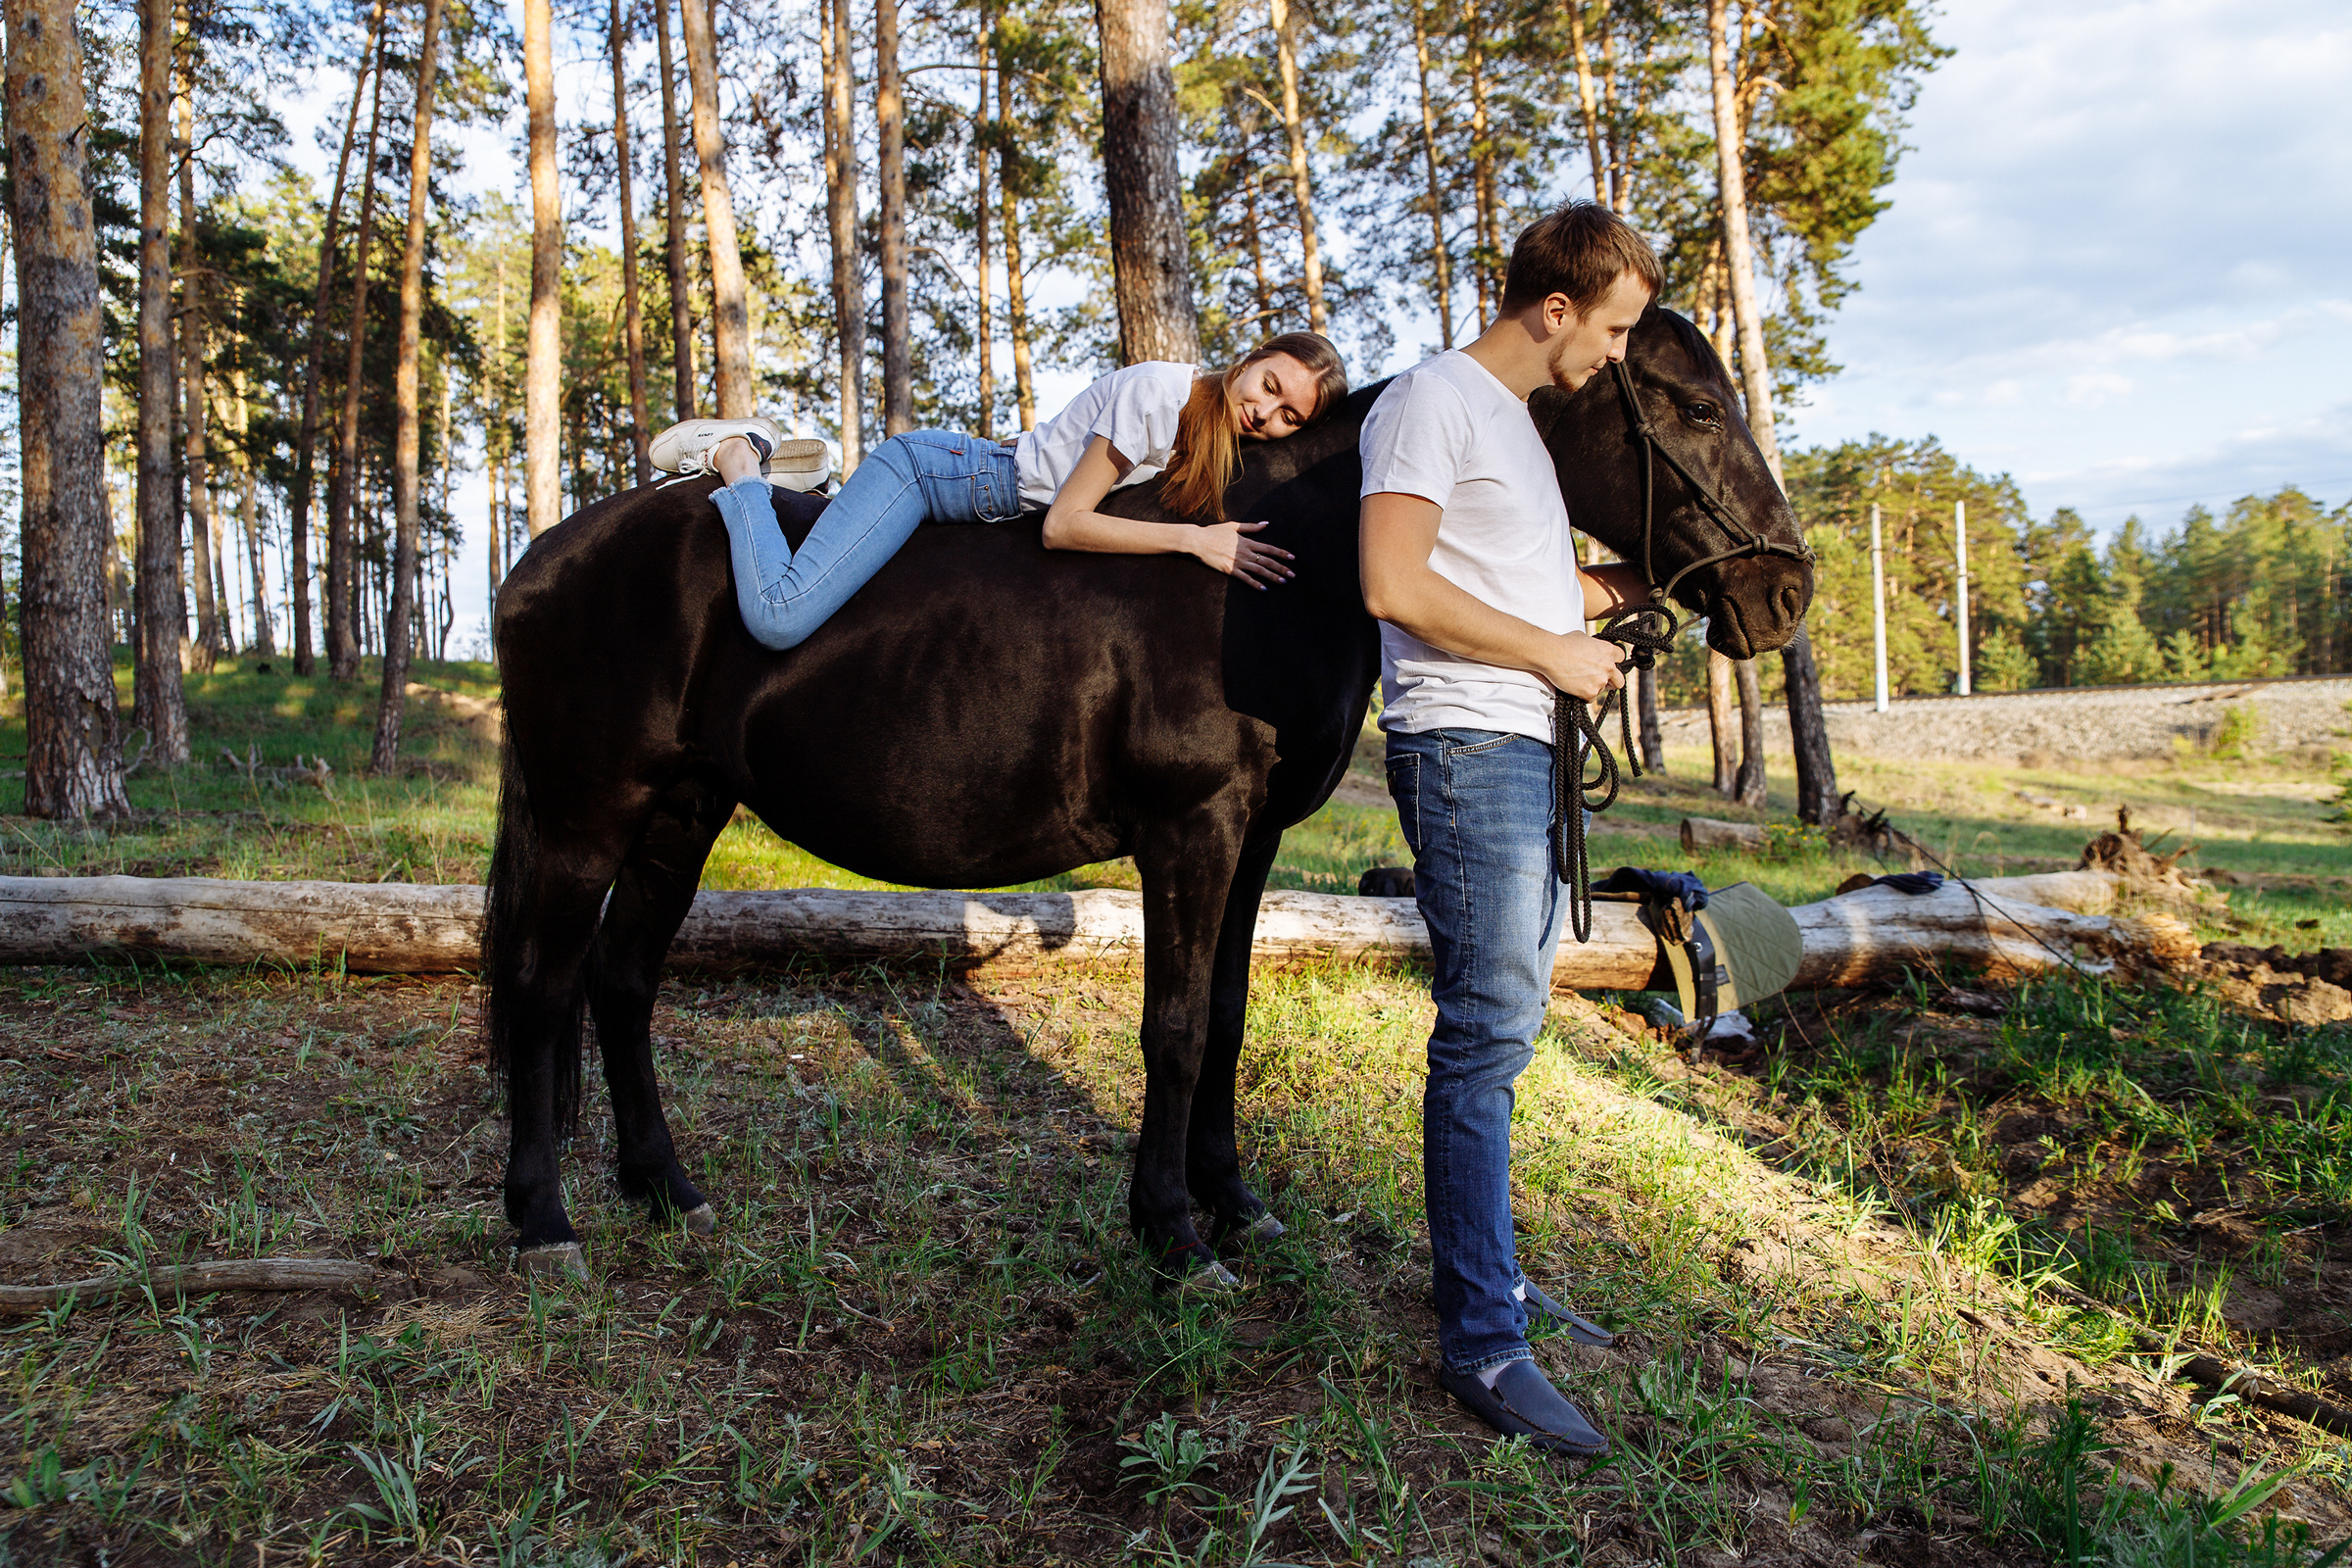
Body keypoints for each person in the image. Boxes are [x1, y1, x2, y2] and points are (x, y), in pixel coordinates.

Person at [1357, 200, 1663, 1457]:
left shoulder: (1520, 435)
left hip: (1520, 740)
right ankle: (1483, 1338)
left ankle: (1492, 1274)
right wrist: (1547, 646)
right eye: (1616, 328)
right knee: (1485, 1035)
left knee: (1514, 1016)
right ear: (1556, 309)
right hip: (1465, 743)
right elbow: (1393, 581)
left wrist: (1631, 595)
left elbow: (1514, 589)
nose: (1618, 353)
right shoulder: (1431, 399)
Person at [649, 333, 1348, 652]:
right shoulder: (1162, 395)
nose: (1265, 413)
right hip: (927, 475)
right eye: (1269, 387)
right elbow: (1064, 525)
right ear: (1251, 359)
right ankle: (741, 458)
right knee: (778, 617)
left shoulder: (1204, 433)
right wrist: (1195, 540)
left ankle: (797, 488)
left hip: (984, 475)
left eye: (1289, 417)